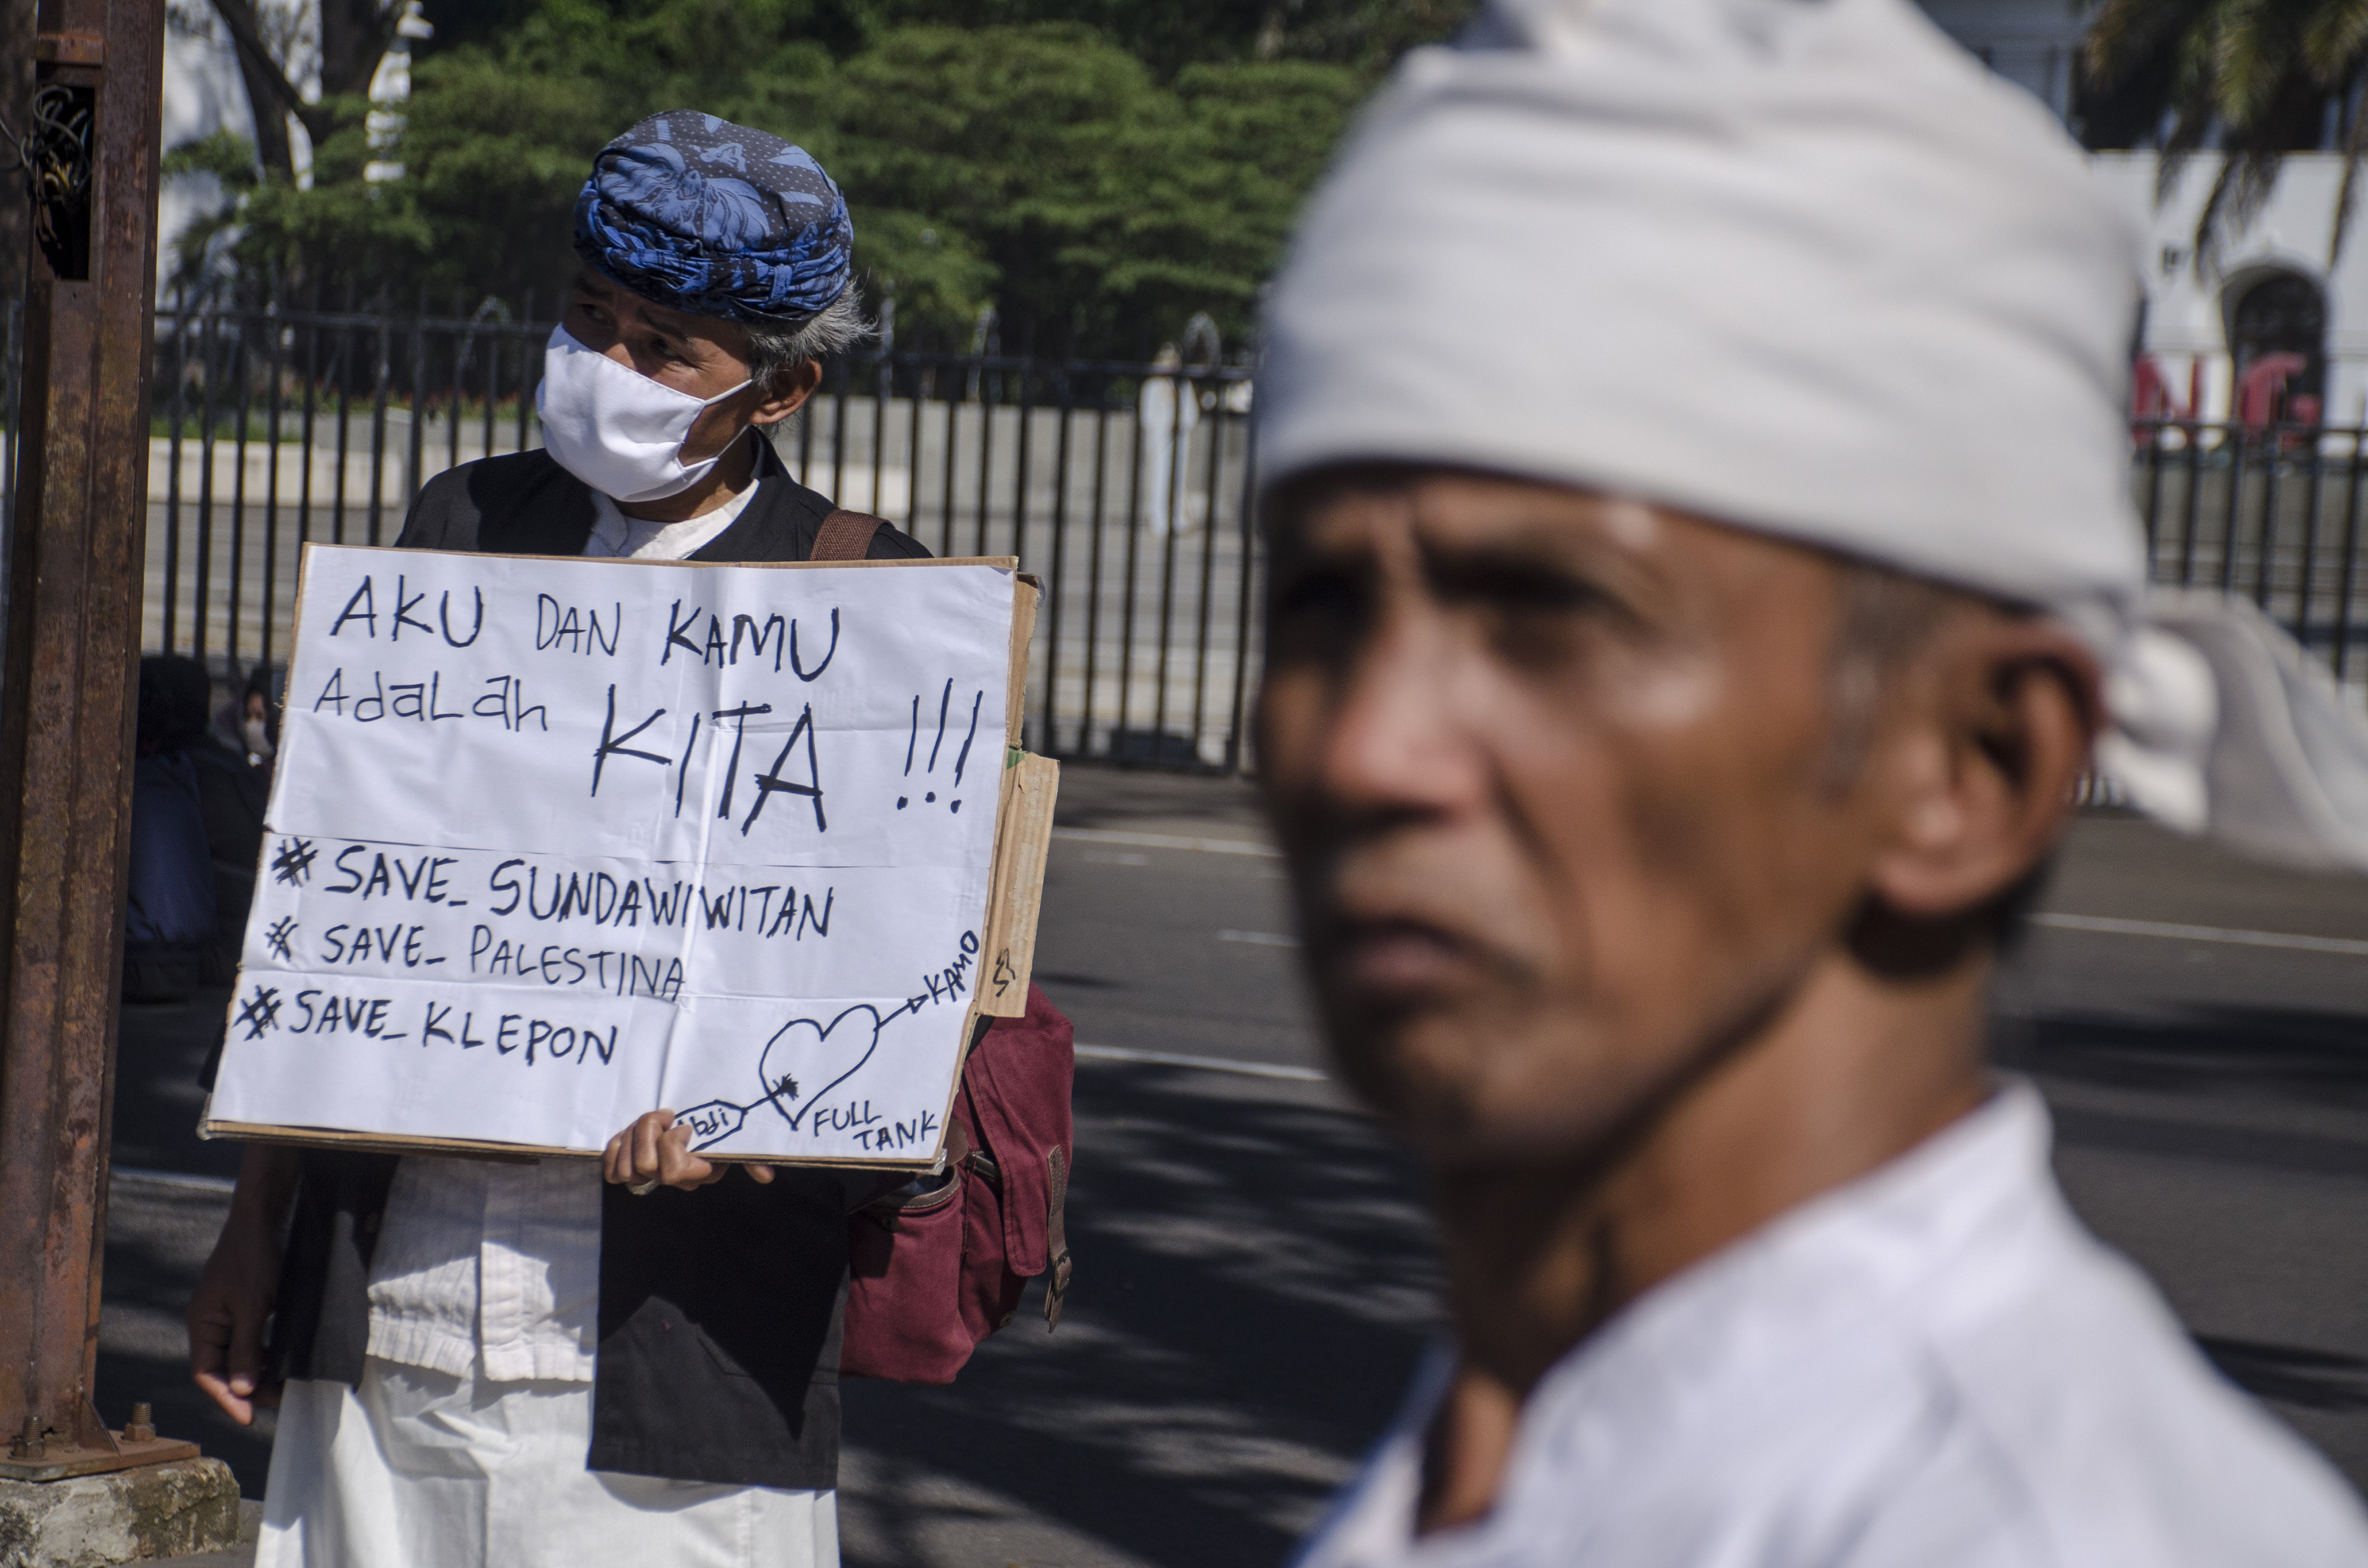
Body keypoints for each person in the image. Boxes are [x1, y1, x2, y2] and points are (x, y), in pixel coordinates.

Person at [1251, 0, 2368, 1562]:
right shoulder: (1519, 1428)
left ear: (1973, 767)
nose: (1367, 746)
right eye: (1320, 603)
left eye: (1556, 613)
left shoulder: (2039, 1528)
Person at [186, 112, 926, 1568]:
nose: (609, 370)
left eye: (667, 351)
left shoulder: (865, 595)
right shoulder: (456, 525)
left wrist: (747, 1123)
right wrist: (252, 1221)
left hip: (678, 1344)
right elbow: (331, 909)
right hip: (393, 1296)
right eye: (592, 321)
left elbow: (890, 984)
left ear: (778, 392)